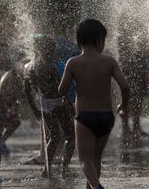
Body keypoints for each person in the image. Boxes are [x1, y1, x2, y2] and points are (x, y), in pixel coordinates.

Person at [59, 19, 130, 189]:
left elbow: (62, 90)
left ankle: (98, 187)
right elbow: (125, 86)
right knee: (95, 159)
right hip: (106, 117)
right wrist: (123, 105)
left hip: (85, 117)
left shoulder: (73, 63)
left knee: (85, 159)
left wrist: (68, 93)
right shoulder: (109, 61)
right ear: (98, 39)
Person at [24, 35, 75, 178]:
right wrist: (69, 103)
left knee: (54, 137)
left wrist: (35, 109)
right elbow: (61, 88)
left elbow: (27, 91)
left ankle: (47, 169)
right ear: (47, 49)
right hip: (58, 104)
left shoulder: (31, 67)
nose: (54, 50)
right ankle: (65, 170)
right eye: (52, 48)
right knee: (70, 136)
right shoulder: (51, 66)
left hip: (45, 105)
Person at [0, 55, 25, 156]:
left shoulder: (11, 74)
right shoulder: (12, 76)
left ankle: (0, 143)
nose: (23, 67)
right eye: (21, 64)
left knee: (10, 124)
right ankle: (0, 143)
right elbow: (10, 93)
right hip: (5, 104)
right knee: (15, 122)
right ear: (16, 64)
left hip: (5, 104)